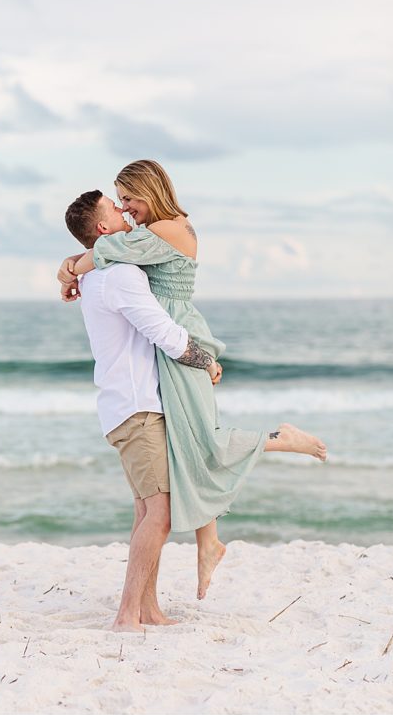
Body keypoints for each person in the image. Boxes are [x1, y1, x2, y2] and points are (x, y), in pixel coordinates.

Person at [60, 170, 327, 600]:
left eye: (128, 197)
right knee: (192, 442)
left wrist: (70, 267)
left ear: (149, 189)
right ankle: (208, 545)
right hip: (169, 339)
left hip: (176, 335)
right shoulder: (155, 230)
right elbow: (107, 247)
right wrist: (75, 266)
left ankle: (280, 439)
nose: (125, 206)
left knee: (204, 441)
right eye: (119, 201)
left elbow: (106, 248)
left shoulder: (162, 230)